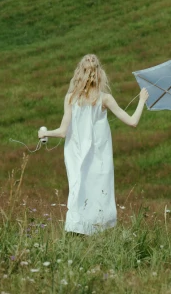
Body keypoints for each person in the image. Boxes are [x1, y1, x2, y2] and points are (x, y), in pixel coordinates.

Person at [39, 54, 148, 235]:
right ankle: (97, 232)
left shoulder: (71, 98)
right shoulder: (104, 99)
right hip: (98, 155)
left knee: (79, 189)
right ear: (99, 73)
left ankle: (78, 232)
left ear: (80, 72)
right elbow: (132, 122)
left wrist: (45, 133)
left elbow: (63, 131)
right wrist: (142, 100)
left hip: (78, 153)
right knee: (99, 191)